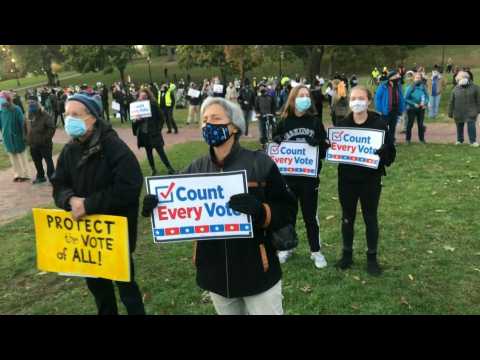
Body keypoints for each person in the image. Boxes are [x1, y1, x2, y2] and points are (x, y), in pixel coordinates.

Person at [142, 97, 297, 315]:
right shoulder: (196, 167)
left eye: (216, 118)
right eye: (204, 120)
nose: (208, 125)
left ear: (234, 126)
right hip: (215, 274)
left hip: (258, 273)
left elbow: (288, 210)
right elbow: (176, 204)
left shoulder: (260, 164)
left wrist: (262, 211)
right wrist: (156, 206)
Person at [51, 93, 146, 315]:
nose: (69, 119)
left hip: (114, 236)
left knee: (127, 289)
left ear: (93, 118)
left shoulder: (113, 146)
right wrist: (70, 199)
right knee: (99, 292)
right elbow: (58, 185)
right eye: (67, 114)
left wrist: (90, 205)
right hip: (86, 239)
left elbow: (129, 187)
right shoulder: (69, 150)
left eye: (76, 114)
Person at [335, 86, 396, 276]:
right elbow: (336, 150)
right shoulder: (343, 124)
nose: (357, 102)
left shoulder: (379, 123)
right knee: (347, 217)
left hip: (370, 179)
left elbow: (391, 156)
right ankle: (347, 255)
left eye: (361, 98)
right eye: (353, 98)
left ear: (368, 101)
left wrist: (385, 153)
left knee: (370, 217)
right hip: (347, 179)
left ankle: (372, 257)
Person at [272, 85, 329, 269]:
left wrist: (319, 144)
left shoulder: (315, 122)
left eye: (307, 96)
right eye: (300, 95)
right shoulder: (283, 122)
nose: (304, 98)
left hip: (309, 179)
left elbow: (325, 150)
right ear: (293, 98)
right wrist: (277, 140)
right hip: (287, 178)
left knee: (310, 216)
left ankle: (316, 251)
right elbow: (273, 147)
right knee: (288, 214)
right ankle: (287, 247)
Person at [132, 88, 176, 175]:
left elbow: (161, 118)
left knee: (161, 152)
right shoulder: (136, 107)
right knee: (148, 153)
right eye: (141, 96)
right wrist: (136, 120)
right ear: (139, 97)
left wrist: (158, 129)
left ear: (148, 96)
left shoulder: (153, 105)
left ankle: (170, 168)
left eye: (145, 96)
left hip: (154, 133)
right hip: (144, 134)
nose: (143, 98)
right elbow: (134, 123)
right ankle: (153, 169)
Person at [25, 96, 56, 184]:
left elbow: (52, 128)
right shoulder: (28, 115)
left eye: (33, 102)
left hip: (44, 144)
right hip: (33, 144)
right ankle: (41, 176)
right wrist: (26, 138)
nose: (31, 104)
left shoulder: (45, 114)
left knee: (48, 161)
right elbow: (25, 127)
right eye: (29, 102)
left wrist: (45, 139)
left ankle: (52, 178)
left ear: (37, 103)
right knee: (37, 161)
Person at [0, 91, 30, 182]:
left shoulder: (16, 109)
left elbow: (22, 123)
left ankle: (25, 174)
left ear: (8, 100)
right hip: (7, 138)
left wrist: (25, 135)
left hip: (18, 136)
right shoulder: (1, 111)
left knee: (22, 156)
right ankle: (17, 174)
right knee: (13, 157)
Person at [448, 71, 480, 147]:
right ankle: (460, 140)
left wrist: (478, 110)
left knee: (471, 125)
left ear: (467, 78)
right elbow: (451, 101)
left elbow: (479, 100)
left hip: (471, 111)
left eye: (462, 78)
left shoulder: (475, 88)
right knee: (459, 126)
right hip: (458, 111)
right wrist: (450, 112)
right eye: (458, 79)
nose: (460, 80)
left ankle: (473, 141)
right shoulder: (455, 89)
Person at [374, 70, 406, 145]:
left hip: (395, 110)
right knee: (384, 127)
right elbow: (377, 98)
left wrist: (401, 108)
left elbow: (401, 97)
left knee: (392, 127)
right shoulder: (383, 86)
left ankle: (391, 141)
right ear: (390, 78)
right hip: (385, 110)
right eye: (396, 76)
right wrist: (380, 109)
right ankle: (383, 142)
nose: (398, 78)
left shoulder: (398, 86)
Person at [404, 73, 429, 144]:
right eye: (416, 78)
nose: (418, 79)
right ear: (414, 79)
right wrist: (413, 104)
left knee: (420, 124)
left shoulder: (423, 87)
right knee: (410, 124)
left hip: (421, 108)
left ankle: (421, 139)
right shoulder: (410, 87)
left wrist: (425, 103)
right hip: (411, 108)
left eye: (419, 78)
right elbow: (405, 98)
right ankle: (407, 140)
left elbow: (427, 97)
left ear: (421, 79)